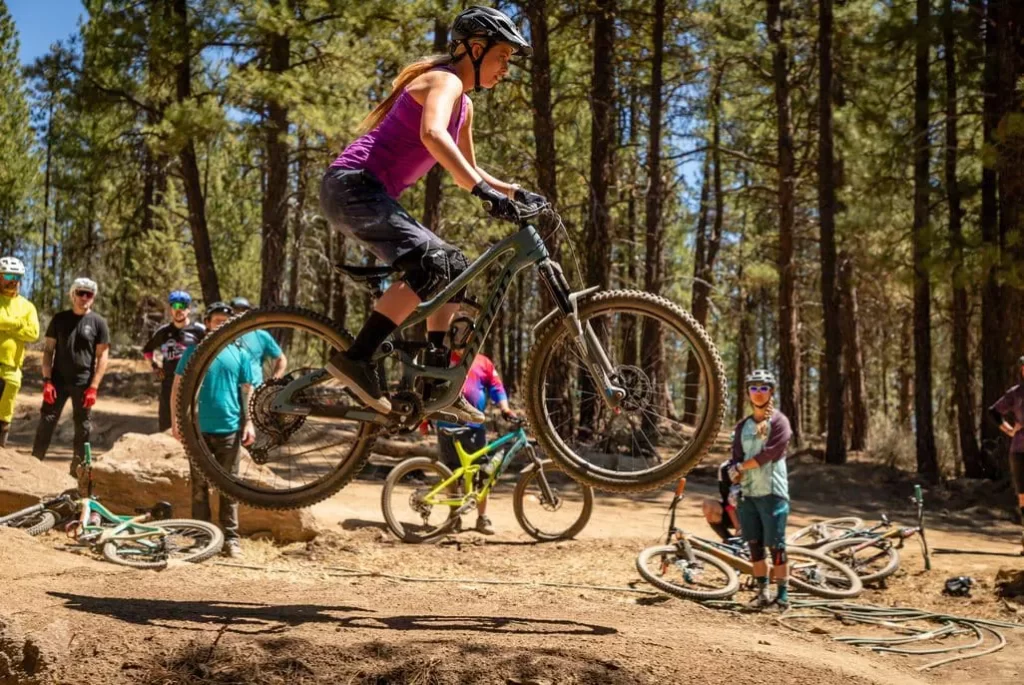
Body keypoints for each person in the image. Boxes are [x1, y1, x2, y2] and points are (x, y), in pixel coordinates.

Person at [319, 6, 545, 422]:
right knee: (433, 262)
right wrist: (482, 191)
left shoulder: (466, 106)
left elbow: (470, 171)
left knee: (454, 267)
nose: (506, 68)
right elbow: (432, 134)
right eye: (503, 57)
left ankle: (436, 380)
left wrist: (512, 191)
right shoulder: (445, 81)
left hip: (364, 194)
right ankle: (358, 358)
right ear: (476, 49)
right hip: (351, 185)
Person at [171, 302, 255, 559]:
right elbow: (177, 387)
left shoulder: (240, 354)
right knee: (199, 486)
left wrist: (249, 422)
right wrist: (176, 421)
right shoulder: (193, 352)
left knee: (230, 486)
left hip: (229, 429)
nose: (221, 324)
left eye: (225, 321)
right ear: (207, 324)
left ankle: (231, 539)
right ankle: (201, 538)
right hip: (197, 430)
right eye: (216, 320)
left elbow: (247, 390)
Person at [728, 369, 793, 610]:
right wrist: (735, 482)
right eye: (753, 388)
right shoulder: (742, 426)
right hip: (748, 493)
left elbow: (770, 454)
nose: (758, 393)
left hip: (772, 492)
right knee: (754, 545)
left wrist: (741, 467)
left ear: (771, 391)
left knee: (776, 545)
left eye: (763, 388)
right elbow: (735, 457)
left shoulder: (779, 421)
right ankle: (762, 593)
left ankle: (783, 597)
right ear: (747, 393)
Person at [32, 278, 110, 476]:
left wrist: (94, 386)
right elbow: (48, 351)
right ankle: (34, 464)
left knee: (82, 426)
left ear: (93, 298)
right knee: (47, 421)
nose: (84, 298)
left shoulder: (98, 323)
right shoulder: (59, 319)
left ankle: (78, 472)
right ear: (73, 294)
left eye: (89, 294)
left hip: (83, 383)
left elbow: (102, 357)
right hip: (57, 380)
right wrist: (47, 381)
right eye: (81, 293)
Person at [437, 351, 517, 535]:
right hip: (447, 424)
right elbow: (429, 389)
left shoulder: (483, 361)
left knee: (481, 473)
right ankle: (454, 518)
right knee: (451, 474)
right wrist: (424, 421)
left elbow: (497, 387)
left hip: (475, 427)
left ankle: (482, 518)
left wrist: (505, 408)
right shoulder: (444, 359)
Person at [143, 291, 205, 431]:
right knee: (166, 424)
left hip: (193, 383)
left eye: (183, 306)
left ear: (189, 309)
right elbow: (147, 350)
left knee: (192, 423)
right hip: (169, 382)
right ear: (171, 309)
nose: (179, 309)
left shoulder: (199, 331)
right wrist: (155, 366)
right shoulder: (163, 332)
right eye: (175, 305)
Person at [0, 256, 40, 447]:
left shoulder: (27, 306)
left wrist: (6, 325)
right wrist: (17, 323)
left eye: (17, 275)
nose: (12, 279)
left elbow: (33, 333)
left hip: (12, 368)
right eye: (8, 274)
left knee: (5, 411)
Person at [987, 355, 1024, 555]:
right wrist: (1010, 430)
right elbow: (994, 412)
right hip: (1019, 450)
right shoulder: (1015, 394)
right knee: (1023, 495)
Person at [230, 297, 287, 384]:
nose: (240, 314)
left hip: (254, 391)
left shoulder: (261, 335)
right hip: (230, 390)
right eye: (236, 310)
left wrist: (273, 381)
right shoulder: (224, 337)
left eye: (244, 310)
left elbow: (282, 359)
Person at [703, 460, 742, 542]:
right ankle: (729, 539)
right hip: (736, 513)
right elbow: (727, 499)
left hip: (759, 514)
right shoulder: (725, 467)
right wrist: (738, 527)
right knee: (709, 505)